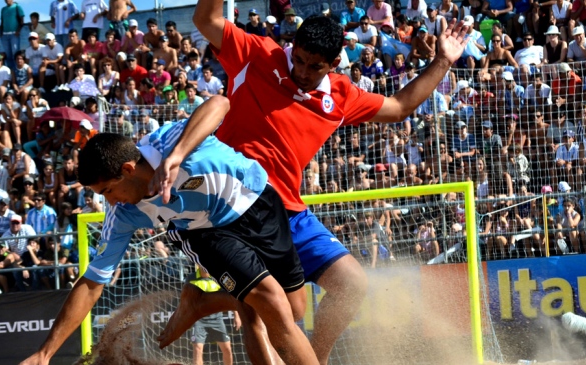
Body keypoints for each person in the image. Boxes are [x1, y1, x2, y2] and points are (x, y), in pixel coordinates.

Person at [156, 7, 470, 365]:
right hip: (230, 207)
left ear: (335, 62)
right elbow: (205, 21)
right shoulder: (258, 53)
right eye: (299, 60)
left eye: (314, 66)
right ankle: (212, 303)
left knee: (350, 285)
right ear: (293, 46)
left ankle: (313, 359)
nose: (302, 72)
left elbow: (398, 107)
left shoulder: (341, 96)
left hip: (287, 210)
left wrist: (443, 60)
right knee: (259, 312)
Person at [20, 96, 317, 365]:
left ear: (127, 169)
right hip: (206, 232)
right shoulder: (122, 214)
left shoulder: (164, 141)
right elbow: (92, 282)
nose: (109, 201)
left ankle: (206, 301)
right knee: (271, 304)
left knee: (293, 311)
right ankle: (229, 297)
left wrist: (176, 157)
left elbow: (221, 103)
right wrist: (44, 354)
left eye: (109, 190)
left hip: (257, 201)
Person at [188, 267, 240, 365]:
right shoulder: (191, 278)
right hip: (199, 319)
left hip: (217, 319)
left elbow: (230, 296)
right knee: (197, 349)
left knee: (227, 349)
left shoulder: (218, 277)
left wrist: (236, 315)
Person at [0, 0, 25, 69]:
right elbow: (2, 21)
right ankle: (11, 73)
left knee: (15, 54)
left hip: (14, 34)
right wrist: (0, 32)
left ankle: (17, 71)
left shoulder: (17, 6)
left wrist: (18, 31)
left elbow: (22, 20)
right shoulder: (3, 9)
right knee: (8, 56)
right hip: (4, 35)